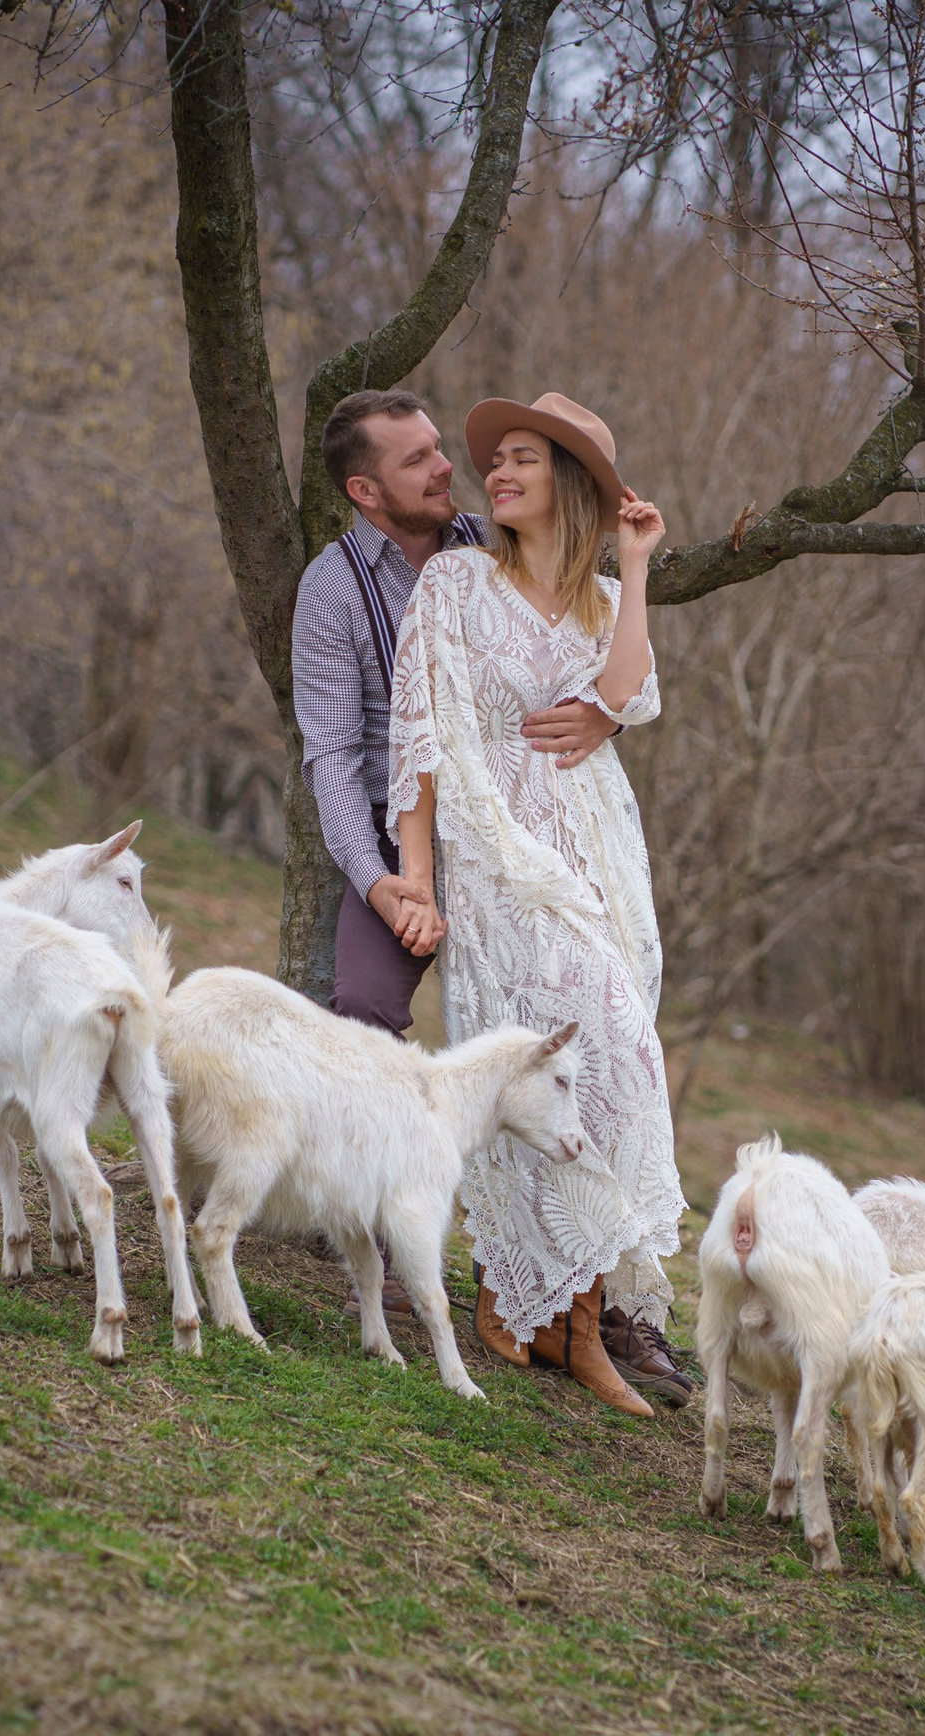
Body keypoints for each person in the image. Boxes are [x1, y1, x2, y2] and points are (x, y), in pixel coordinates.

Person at [387, 392, 692, 1414]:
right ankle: (506, 1283)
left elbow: (625, 695)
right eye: (496, 459)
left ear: (567, 484)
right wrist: (418, 871)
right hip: (500, 850)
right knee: (552, 1050)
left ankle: (571, 1317)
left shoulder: (607, 598)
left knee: (612, 1057)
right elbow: (421, 736)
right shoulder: (456, 581)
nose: (497, 474)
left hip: (597, 852)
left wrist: (638, 566)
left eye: (522, 459)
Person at [291, 389, 620, 1325]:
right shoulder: (331, 592)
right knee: (361, 1007)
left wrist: (607, 708)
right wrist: (382, 880)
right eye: (417, 461)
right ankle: (381, 1233)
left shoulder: (498, 541)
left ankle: (591, 1293)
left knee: (588, 1020)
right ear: (365, 489)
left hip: (514, 836)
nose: (448, 469)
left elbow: (598, 610)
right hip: (405, 838)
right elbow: (332, 754)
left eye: (441, 448)